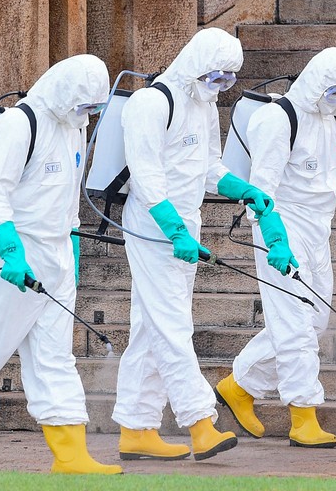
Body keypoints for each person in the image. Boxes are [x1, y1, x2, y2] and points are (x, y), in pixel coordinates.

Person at [0, 54, 121, 475]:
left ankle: (70, 455)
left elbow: (69, 198)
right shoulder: (18, 125)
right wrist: (11, 254)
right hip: (14, 257)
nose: (88, 114)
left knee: (55, 357)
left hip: (55, 259)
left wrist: (71, 248)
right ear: (66, 91)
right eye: (84, 105)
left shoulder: (74, 124)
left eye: (94, 108)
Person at [111, 28, 285, 461]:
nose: (219, 88)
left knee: (151, 326)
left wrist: (243, 189)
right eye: (215, 77)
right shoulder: (151, 103)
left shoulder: (202, 104)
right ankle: (200, 422)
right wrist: (173, 231)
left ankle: (136, 426)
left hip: (186, 223)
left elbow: (208, 165)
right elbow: (147, 178)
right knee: (172, 325)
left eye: (227, 80)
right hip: (154, 226)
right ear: (194, 64)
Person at [215, 48, 336, 448]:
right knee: (294, 323)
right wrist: (275, 240)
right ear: (315, 82)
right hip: (282, 224)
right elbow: (261, 190)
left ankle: (239, 386)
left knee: (314, 321)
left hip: (317, 226)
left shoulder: (332, 112)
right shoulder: (277, 120)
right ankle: (303, 415)